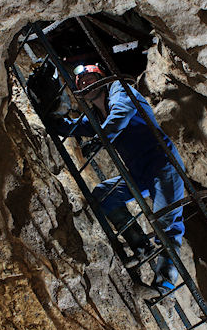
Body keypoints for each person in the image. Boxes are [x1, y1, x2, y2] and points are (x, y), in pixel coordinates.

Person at [53, 64, 186, 294]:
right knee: (104, 195)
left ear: (101, 77)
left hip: (163, 163)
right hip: (138, 170)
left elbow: (121, 115)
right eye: (80, 81)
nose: (84, 81)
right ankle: (141, 247)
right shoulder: (96, 115)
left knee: (166, 220)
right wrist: (54, 118)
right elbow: (75, 127)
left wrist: (100, 138)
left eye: (89, 77)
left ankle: (164, 284)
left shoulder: (120, 90)